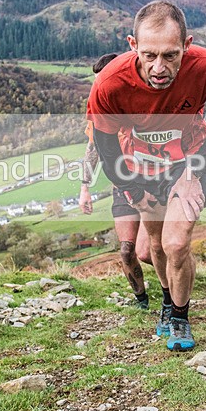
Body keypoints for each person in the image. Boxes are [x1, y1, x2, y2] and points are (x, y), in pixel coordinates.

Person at [87, 0, 206, 352]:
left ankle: (181, 319)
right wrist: (129, 187)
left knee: (176, 243)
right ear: (132, 45)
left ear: (187, 45)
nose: (159, 68)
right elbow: (106, 145)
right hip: (140, 168)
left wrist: (195, 171)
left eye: (171, 56)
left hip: (188, 161)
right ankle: (168, 302)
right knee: (153, 244)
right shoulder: (110, 83)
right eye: (150, 55)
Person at [79, 54, 153, 310]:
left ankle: (178, 282)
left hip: (150, 181)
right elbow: (93, 149)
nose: (100, 89)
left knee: (148, 252)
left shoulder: (137, 101)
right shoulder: (98, 112)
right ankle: (141, 300)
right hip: (122, 187)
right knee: (126, 251)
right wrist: (85, 187)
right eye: (96, 83)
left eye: (104, 82)